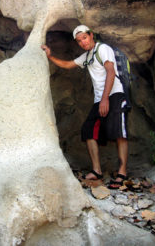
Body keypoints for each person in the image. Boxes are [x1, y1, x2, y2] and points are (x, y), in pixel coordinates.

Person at [41, 25, 129, 188]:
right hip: (100, 99)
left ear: (91, 35)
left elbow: (110, 72)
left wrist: (105, 99)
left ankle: (122, 172)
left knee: (119, 132)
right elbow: (67, 65)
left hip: (115, 94)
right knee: (88, 130)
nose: (82, 42)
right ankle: (97, 170)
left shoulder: (103, 49)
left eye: (84, 37)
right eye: (79, 40)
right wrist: (50, 55)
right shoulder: (87, 56)